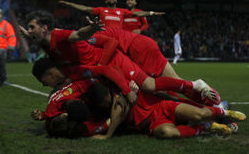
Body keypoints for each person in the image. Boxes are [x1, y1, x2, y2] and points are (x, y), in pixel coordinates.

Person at [20, 10, 220, 105]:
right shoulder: (53, 47)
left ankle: (206, 98)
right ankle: (208, 104)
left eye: (32, 27)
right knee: (158, 90)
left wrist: (100, 65)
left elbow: (79, 35)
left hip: (138, 49)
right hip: (128, 51)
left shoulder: (80, 37)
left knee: (157, 86)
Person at [88, 27, 220, 106]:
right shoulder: (94, 33)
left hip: (138, 49)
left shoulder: (90, 37)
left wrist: (100, 67)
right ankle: (213, 106)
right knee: (169, 91)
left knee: (170, 87)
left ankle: (211, 102)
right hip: (139, 47)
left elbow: (112, 43)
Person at [89, 83, 246, 140]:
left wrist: (107, 135)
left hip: (162, 106)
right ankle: (205, 127)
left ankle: (224, 113)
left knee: (199, 113)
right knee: (167, 132)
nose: (107, 104)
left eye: (107, 101)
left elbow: (118, 108)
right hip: (154, 123)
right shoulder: (106, 110)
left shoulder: (120, 93)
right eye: (104, 104)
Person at [59, 0, 164, 29]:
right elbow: (84, 8)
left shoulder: (122, 11)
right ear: (106, 1)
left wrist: (151, 13)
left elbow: (138, 13)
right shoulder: (101, 10)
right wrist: (69, 4)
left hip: (119, 38)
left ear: (116, 0)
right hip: (104, 36)